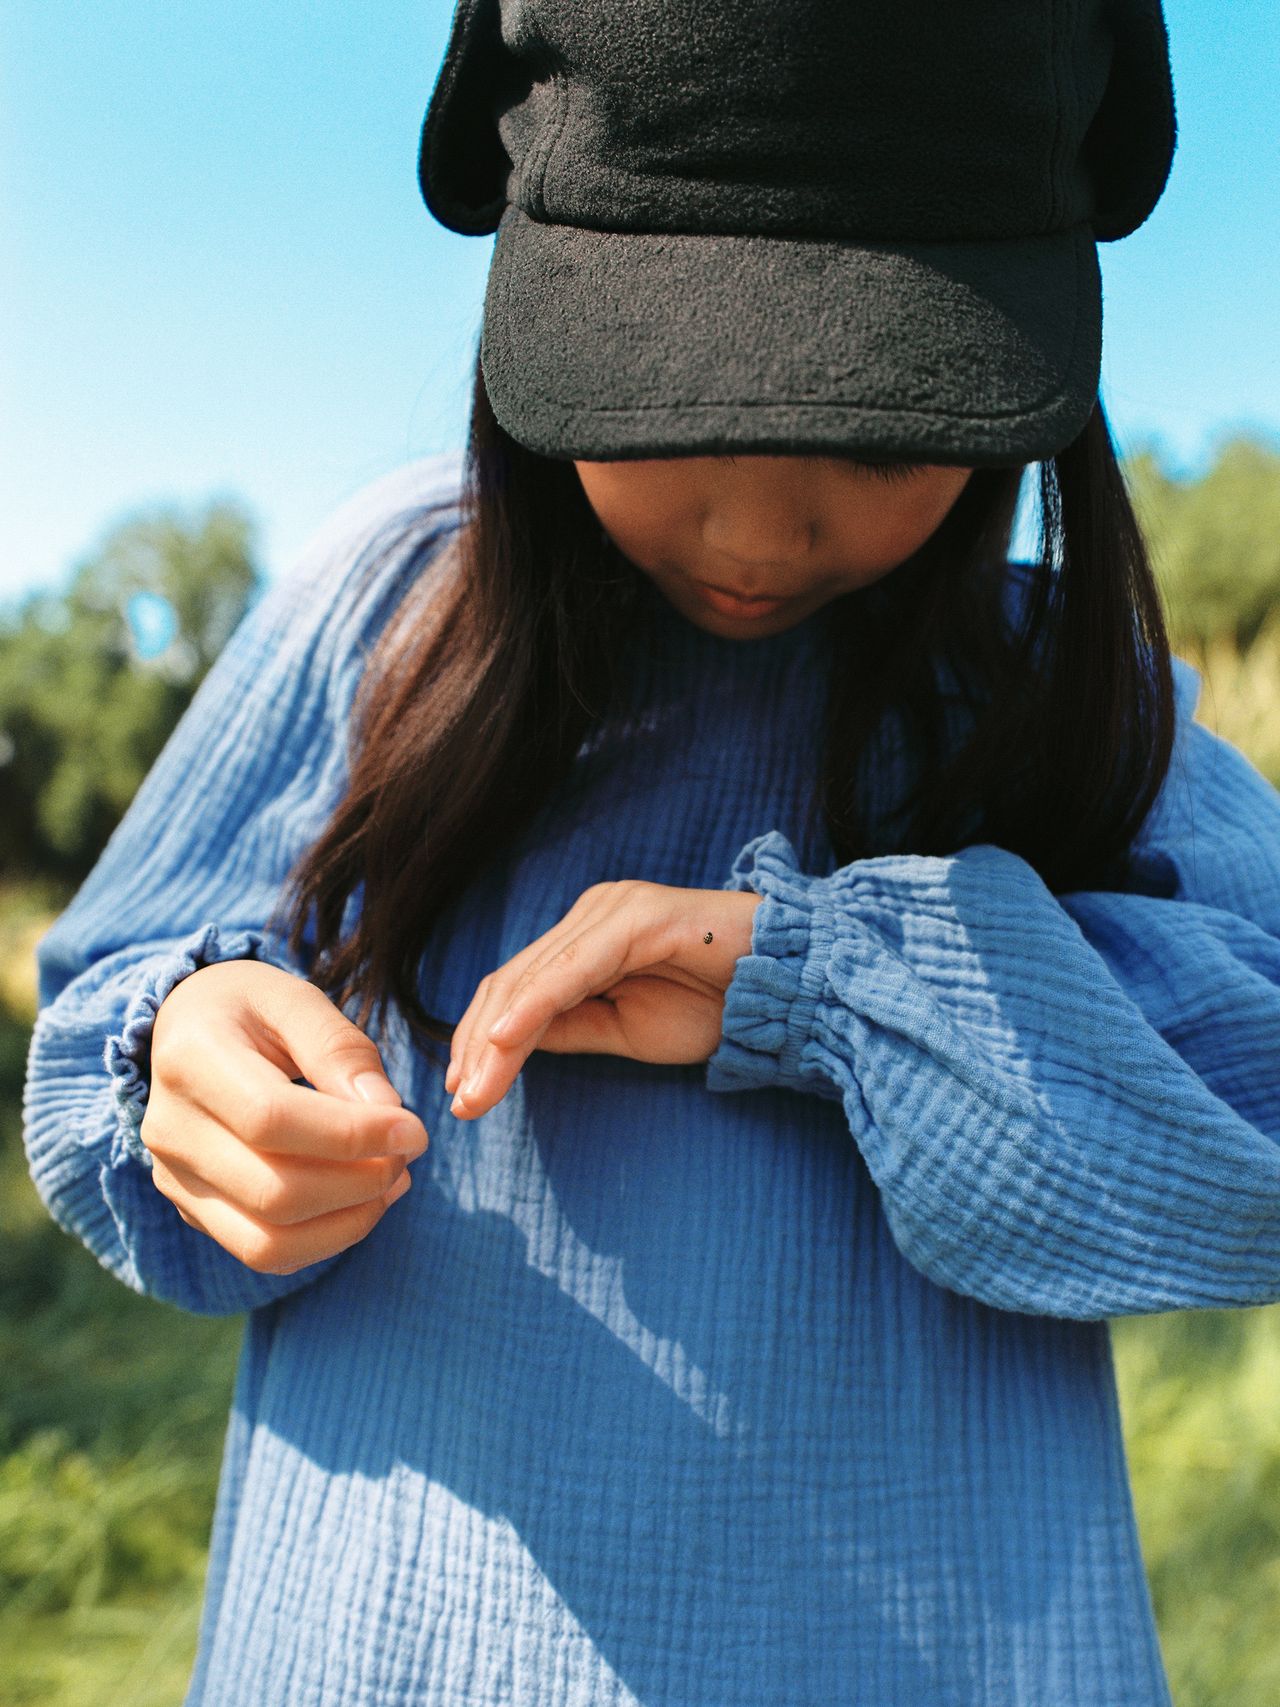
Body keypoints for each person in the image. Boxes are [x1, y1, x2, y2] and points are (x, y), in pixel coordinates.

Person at [22, 2, 1280, 1702]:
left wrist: (827, 982)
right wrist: (185, 1058)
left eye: (889, 433)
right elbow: (114, 993)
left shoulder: (1059, 694)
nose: (761, 535)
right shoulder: (391, 606)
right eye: (672, 408)